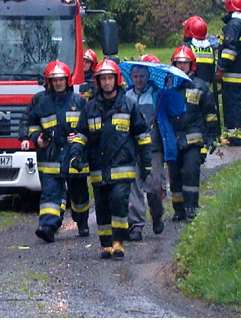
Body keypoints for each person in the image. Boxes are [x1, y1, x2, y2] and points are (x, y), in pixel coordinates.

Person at [70, 59, 152, 259]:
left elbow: (142, 135)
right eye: (103, 79)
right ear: (98, 81)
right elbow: (81, 135)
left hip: (122, 167)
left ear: (117, 80)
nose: (107, 83)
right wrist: (75, 155)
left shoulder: (129, 106)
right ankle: (106, 244)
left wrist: (147, 161)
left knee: (119, 201)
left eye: (110, 78)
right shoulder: (90, 109)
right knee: (103, 208)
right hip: (98, 169)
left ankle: (118, 241)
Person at [19, 61, 90, 242]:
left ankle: (82, 222)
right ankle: (48, 227)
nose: (58, 83)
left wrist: (78, 137)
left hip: (74, 157)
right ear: (48, 82)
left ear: (67, 81)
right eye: (54, 80)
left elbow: (89, 125)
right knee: (50, 194)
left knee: (78, 194)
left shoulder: (79, 101)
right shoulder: (41, 102)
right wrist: (37, 138)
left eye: (61, 80)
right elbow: (30, 122)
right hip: (50, 156)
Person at [166, 46, 219, 221]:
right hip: (173, 139)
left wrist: (211, 136)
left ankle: (191, 207)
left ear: (191, 65)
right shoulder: (168, 87)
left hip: (193, 138)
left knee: (190, 171)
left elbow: (210, 113)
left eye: (185, 63)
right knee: (174, 176)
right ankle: (178, 209)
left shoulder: (200, 86)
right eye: (178, 63)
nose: (181, 66)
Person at [125, 56, 166, 239]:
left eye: (142, 76)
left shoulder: (158, 95)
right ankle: (136, 226)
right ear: (131, 77)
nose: (139, 80)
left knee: (155, 186)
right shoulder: (126, 96)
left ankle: (157, 216)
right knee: (133, 187)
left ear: (148, 76)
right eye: (135, 76)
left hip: (153, 148)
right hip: (133, 149)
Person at [215, 0, 241, 146]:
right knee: (239, 104)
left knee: (231, 105)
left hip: (231, 73)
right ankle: (237, 133)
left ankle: (233, 136)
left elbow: (230, 49)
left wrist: (221, 68)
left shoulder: (233, 25)